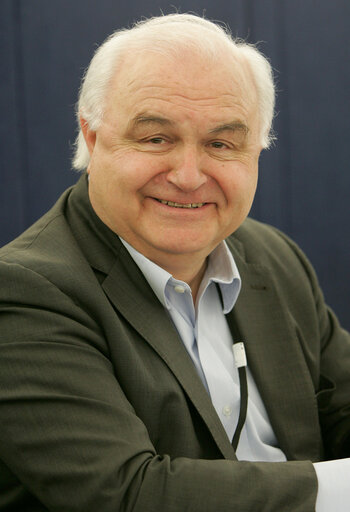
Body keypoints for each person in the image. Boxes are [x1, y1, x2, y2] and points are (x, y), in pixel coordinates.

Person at [0, 13, 349, 512]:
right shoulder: (24, 291)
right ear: (93, 138)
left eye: (221, 144)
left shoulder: (273, 258)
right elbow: (129, 495)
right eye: (155, 138)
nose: (188, 176)